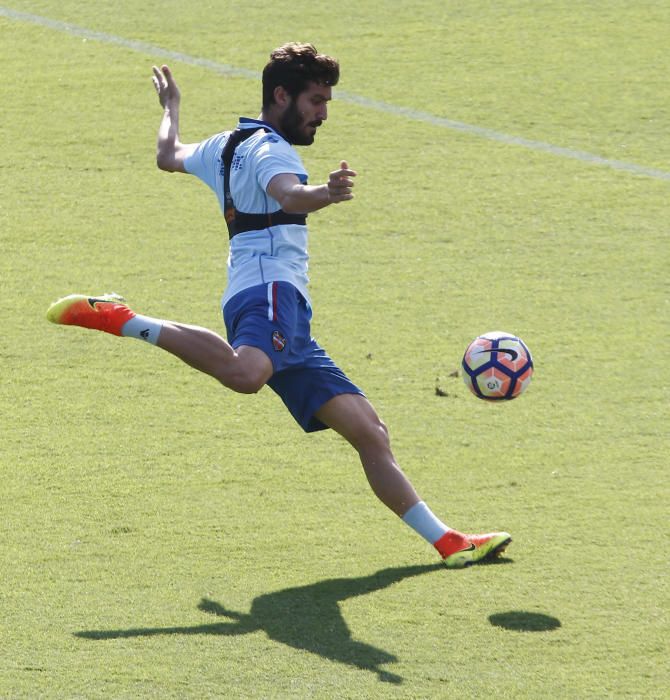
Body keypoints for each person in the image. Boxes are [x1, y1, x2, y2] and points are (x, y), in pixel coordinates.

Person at [47, 43, 511, 568]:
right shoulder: (271, 150)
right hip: (270, 293)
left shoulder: (225, 144)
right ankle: (125, 320)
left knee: (368, 432)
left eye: (327, 101)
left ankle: (449, 543)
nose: (323, 113)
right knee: (246, 374)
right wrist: (324, 193)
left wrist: (172, 111)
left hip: (282, 314)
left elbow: (167, 156)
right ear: (281, 95)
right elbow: (288, 194)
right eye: (315, 100)